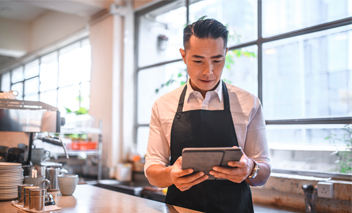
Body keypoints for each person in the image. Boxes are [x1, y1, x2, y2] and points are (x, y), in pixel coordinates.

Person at [144, 17, 271, 213]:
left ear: (226, 54)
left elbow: (263, 172)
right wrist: (171, 174)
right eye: (197, 60)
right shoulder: (163, 105)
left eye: (217, 60)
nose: (208, 71)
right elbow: (153, 171)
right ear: (183, 56)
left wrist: (250, 168)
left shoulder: (249, 103)